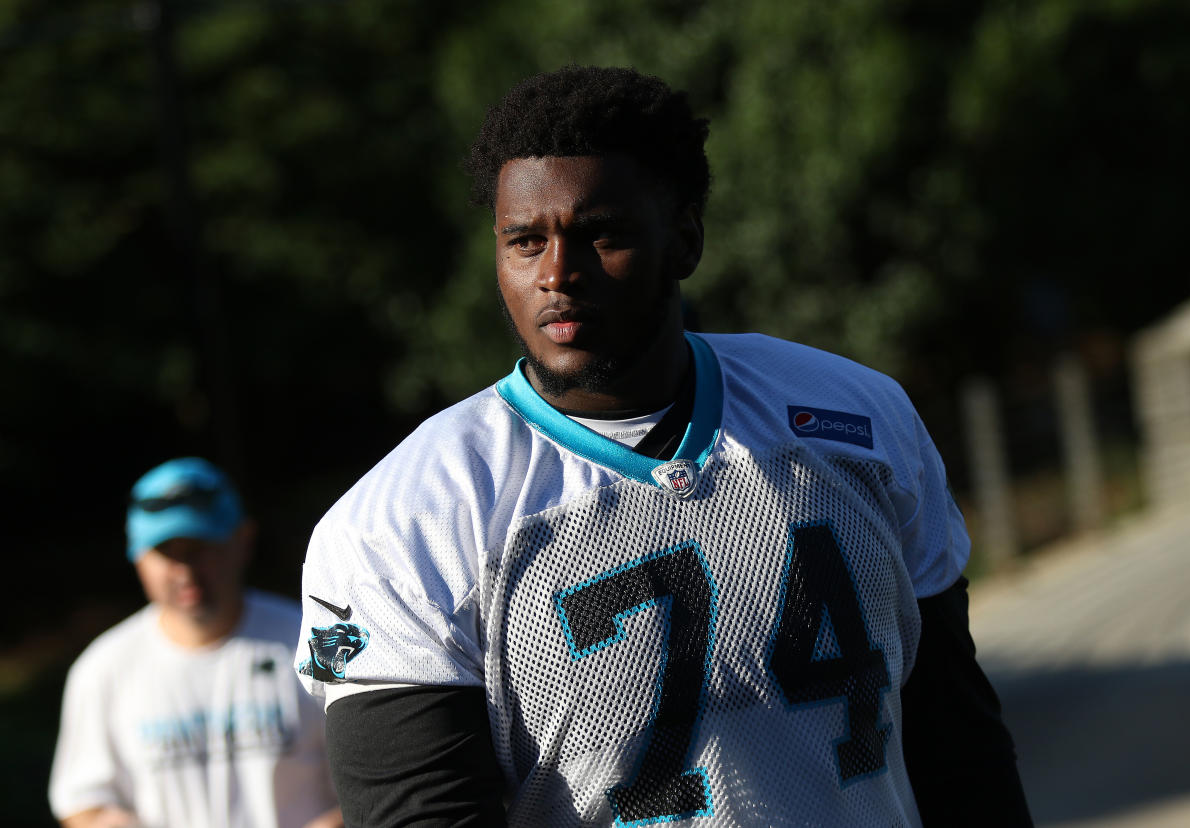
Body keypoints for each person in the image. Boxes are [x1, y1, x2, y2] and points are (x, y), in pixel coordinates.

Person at [298, 65, 1032, 827]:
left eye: (601, 235)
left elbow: (960, 748)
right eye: (525, 241)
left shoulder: (855, 415)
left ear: (684, 238)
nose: (558, 275)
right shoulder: (404, 520)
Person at [49, 457, 343, 828]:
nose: (185, 571)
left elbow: (370, 781)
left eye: (201, 548)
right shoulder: (103, 669)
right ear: (137, 556)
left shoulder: (313, 644)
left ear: (243, 540)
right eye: (166, 552)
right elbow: (82, 803)